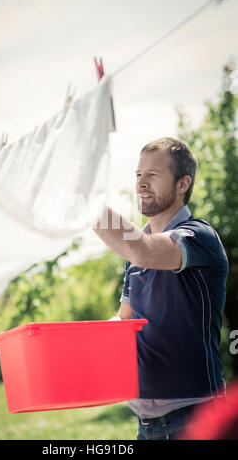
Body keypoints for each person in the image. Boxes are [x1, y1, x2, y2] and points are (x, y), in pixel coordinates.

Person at [93, 137, 229, 440]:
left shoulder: (199, 237)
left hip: (194, 418)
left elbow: (144, 249)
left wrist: (85, 203)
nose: (141, 183)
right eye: (138, 175)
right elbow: (124, 321)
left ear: (183, 184)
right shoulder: (135, 254)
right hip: (146, 425)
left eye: (152, 175)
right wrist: (80, 346)